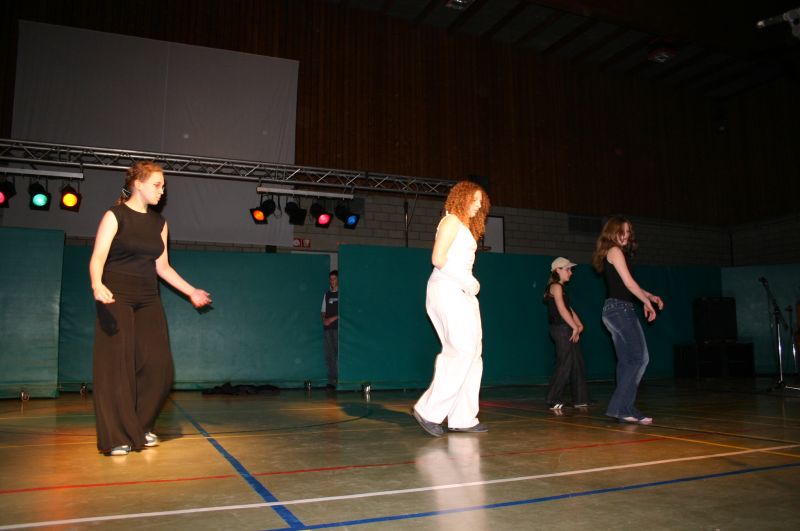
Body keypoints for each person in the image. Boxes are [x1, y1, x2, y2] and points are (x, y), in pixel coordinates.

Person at [89, 161, 211, 456]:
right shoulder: (115, 216)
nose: (162, 191)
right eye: (157, 185)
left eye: (163, 186)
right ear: (138, 184)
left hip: (147, 297)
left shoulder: (160, 223)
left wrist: (191, 291)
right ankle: (117, 437)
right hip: (115, 295)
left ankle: (140, 427)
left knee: (160, 367)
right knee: (117, 368)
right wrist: (96, 284)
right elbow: (98, 257)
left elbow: (163, 267)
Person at [412, 180, 490, 437]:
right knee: (460, 350)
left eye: (481, 202)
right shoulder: (450, 221)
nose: (478, 205)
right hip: (447, 289)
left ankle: (463, 417)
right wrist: (467, 280)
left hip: (463, 293)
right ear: (461, 198)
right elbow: (437, 258)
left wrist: (468, 284)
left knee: (474, 354)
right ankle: (428, 411)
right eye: (474, 200)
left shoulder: (464, 227)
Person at [592, 216, 664, 425]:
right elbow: (629, 284)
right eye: (622, 231)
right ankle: (619, 407)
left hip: (614, 310)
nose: (626, 235)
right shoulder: (615, 250)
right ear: (612, 232)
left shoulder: (613, 252)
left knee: (627, 361)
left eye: (628, 232)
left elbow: (628, 284)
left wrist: (649, 296)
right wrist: (646, 303)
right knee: (640, 358)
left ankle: (625, 409)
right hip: (620, 310)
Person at [544, 257, 589, 410]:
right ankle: (553, 398)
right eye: (568, 269)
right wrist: (574, 327)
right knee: (565, 363)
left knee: (577, 362)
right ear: (558, 270)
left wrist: (578, 324)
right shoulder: (555, 286)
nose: (571, 272)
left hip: (566, 328)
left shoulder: (561, 288)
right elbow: (562, 309)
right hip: (561, 329)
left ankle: (580, 399)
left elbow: (568, 309)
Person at [321, 270, 339, 388]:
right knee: (329, 354)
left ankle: (339, 379)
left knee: (338, 354)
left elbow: (344, 312)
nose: (332, 281)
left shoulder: (342, 294)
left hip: (338, 329)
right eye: (330, 279)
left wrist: (332, 319)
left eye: (334, 279)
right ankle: (331, 381)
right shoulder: (327, 295)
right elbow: (323, 311)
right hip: (328, 329)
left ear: (338, 280)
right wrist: (324, 319)